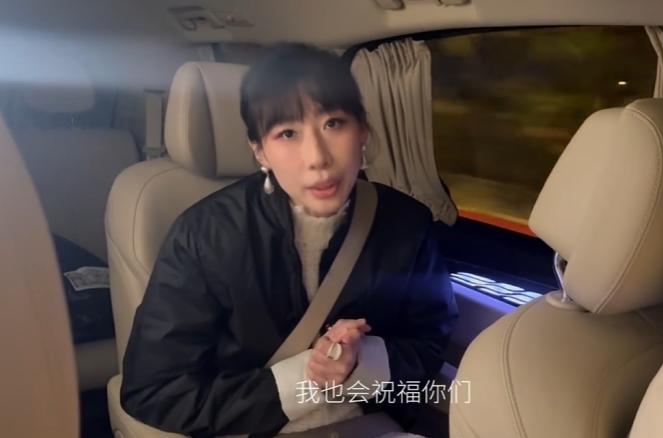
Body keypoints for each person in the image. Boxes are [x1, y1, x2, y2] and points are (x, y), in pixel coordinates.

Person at [120, 43, 458, 438]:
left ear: (363, 130)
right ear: (260, 151)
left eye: (334, 123)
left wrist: (362, 361)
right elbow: (154, 390)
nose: (317, 157)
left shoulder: (405, 222)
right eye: (287, 133)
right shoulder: (204, 235)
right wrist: (304, 378)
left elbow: (429, 340)